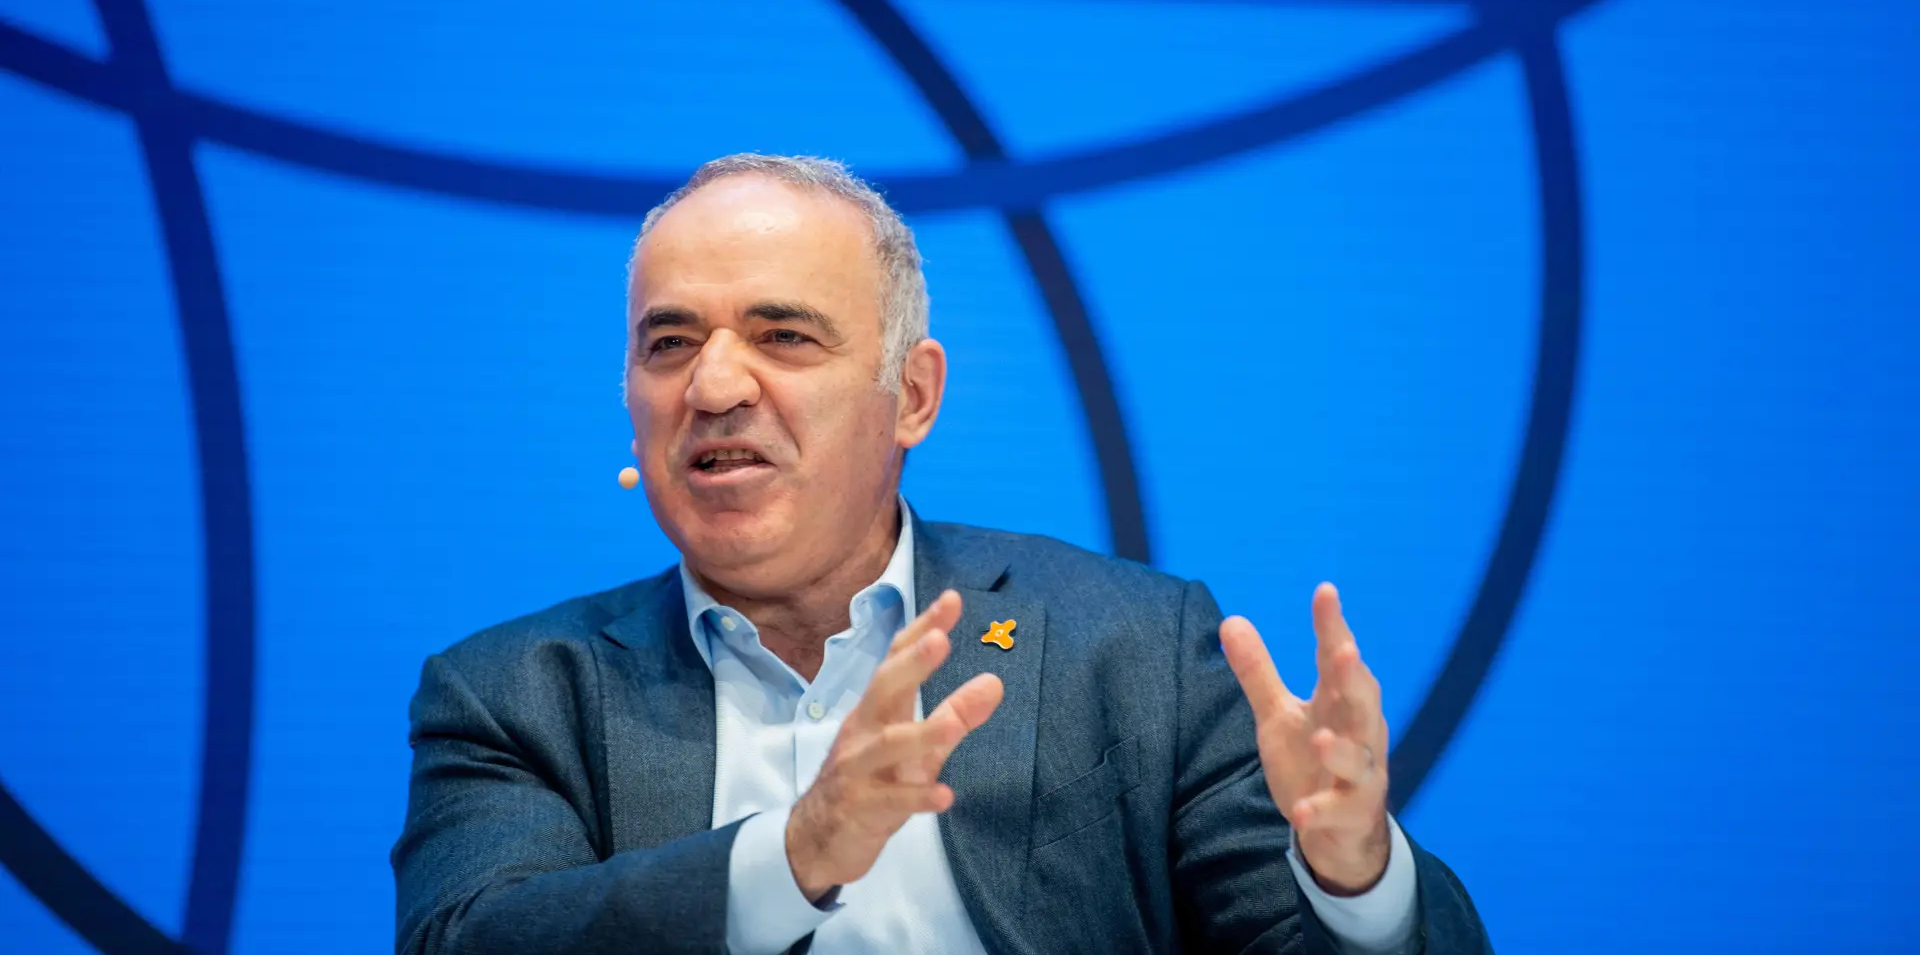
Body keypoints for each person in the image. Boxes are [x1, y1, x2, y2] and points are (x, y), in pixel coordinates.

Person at [392, 154, 1492, 954]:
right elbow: (472, 940)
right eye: (669, 343)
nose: (715, 386)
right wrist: (796, 854)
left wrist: (1357, 878)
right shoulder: (515, 696)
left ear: (911, 396)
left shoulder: (1132, 650)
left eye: (783, 335)